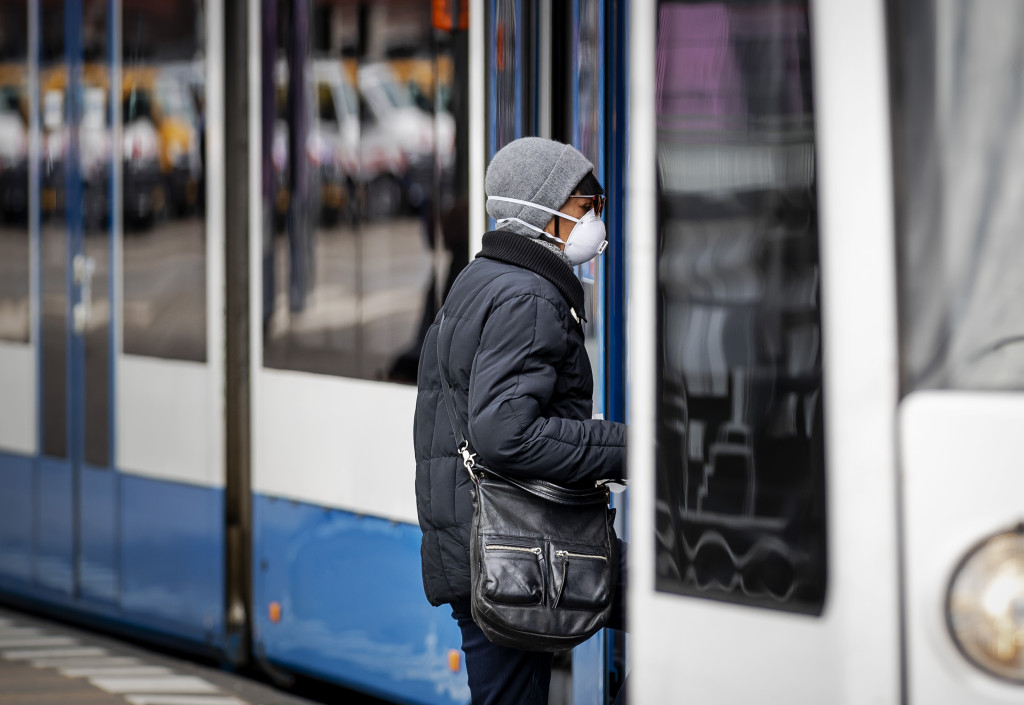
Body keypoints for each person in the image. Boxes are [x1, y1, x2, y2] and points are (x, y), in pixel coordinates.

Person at [413, 136, 627, 705]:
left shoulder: (483, 279)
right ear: (544, 213)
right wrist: (622, 448)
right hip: (515, 549)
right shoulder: (529, 296)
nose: (596, 222)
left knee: (663, 601)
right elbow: (506, 434)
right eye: (585, 206)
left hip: (494, 544)